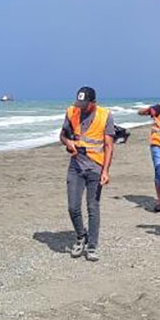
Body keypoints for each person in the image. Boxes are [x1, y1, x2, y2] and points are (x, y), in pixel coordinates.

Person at [60, 86, 116, 262]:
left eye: (85, 104)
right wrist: (68, 142)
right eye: (79, 103)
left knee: (93, 207)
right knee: (73, 207)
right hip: (76, 166)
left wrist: (105, 171)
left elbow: (109, 146)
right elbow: (62, 135)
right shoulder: (72, 112)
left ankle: (92, 246)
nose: (81, 107)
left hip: (96, 167)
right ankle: (81, 236)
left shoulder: (105, 116)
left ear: (93, 102)